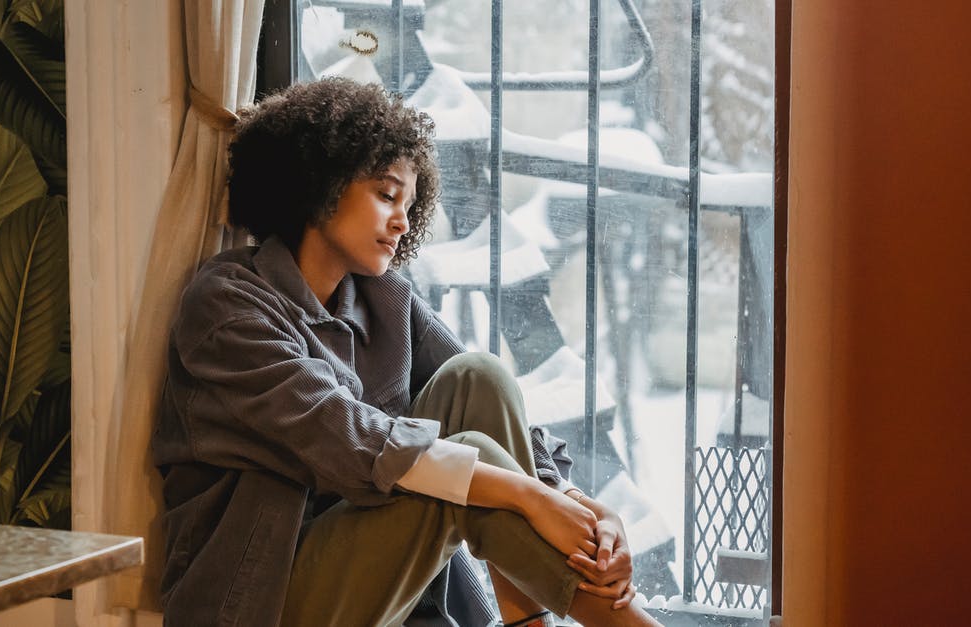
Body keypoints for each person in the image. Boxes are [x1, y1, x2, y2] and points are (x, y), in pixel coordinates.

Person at [151, 78, 661, 627]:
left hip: (372, 567)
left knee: (477, 377)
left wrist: (576, 499)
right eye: (386, 194)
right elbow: (349, 438)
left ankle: (531, 620)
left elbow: (481, 401)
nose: (402, 220)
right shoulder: (226, 304)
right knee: (446, 469)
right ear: (319, 181)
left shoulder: (385, 296)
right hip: (263, 595)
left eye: (410, 205)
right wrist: (534, 501)